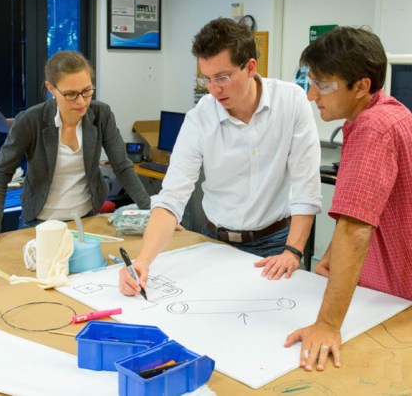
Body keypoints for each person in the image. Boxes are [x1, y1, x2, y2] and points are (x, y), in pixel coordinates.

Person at [284, 26, 412, 372]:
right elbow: (368, 207)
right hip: (401, 291)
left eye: (323, 85)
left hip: (401, 302)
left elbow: (354, 229)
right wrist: (333, 256)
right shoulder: (393, 113)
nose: (312, 95)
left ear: (361, 86)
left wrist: (328, 324)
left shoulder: (372, 129)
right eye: (311, 82)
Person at [119, 17, 322, 296]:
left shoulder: (291, 102)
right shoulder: (199, 118)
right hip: (216, 240)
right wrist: (142, 262)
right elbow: (171, 199)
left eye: (223, 78)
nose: (214, 90)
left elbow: (305, 188)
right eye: (207, 79)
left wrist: (293, 250)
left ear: (250, 67)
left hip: (276, 243)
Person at [0, 50, 151, 249]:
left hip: (85, 221)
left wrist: (151, 212)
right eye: (70, 94)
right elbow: (1, 173)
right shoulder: (30, 120)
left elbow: (122, 166)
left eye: (87, 91)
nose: (81, 101)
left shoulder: (101, 114)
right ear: (51, 88)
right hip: (38, 224)